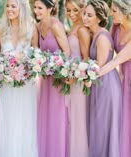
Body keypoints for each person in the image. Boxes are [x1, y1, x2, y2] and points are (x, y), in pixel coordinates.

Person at [0, 0, 38, 156]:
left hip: (25, 84)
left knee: (24, 120)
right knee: (6, 120)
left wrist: (24, 64)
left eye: (13, 6)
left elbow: (36, 56)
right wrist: (5, 67)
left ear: (22, 8)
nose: (9, 9)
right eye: (7, 6)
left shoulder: (31, 30)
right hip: (6, 84)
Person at [83, 0, 122, 156]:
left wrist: (84, 76)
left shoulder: (102, 38)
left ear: (99, 18)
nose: (85, 17)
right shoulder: (95, 34)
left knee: (102, 127)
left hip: (106, 86)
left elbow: (98, 68)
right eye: (85, 13)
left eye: (89, 15)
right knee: (97, 127)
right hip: (98, 84)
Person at [34, 0, 70, 156]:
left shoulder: (56, 26)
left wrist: (55, 66)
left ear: (50, 8)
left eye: (40, 8)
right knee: (45, 115)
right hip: (45, 79)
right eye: (35, 7)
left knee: (57, 116)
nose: (36, 11)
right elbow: (35, 51)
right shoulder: (38, 26)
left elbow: (67, 52)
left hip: (57, 78)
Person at [98, 1, 131, 156]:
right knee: (123, 120)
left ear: (126, 12)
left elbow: (116, 61)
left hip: (127, 78)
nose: (111, 14)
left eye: (114, 11)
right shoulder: (115, 27)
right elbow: (107, 50)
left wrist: (94, 73)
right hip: (123, 79)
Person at [65, 0, 90, 156]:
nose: (71, 14)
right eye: (68, 10)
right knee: (71, 119)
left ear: (82, 9)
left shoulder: (82, 30)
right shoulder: (73, 27)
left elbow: (86, 59)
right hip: (70, 79)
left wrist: (76, 76)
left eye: (75, 10)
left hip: (79, 82)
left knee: (78, 119)